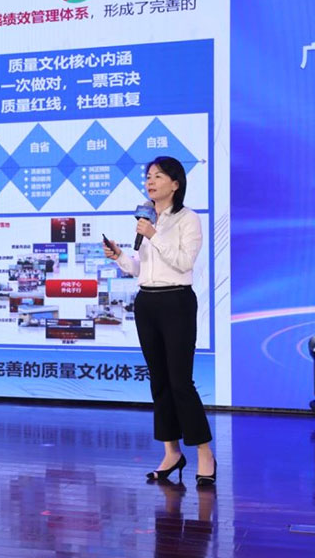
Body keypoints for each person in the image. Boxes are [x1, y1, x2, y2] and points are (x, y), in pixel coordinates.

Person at [103, 156, 216, 486]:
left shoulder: (187, 219)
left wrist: (153, 234)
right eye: (148, 176)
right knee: (159, 381)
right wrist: (120, 257)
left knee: (181, 381)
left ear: (175, 184)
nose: (150, 182)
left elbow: (183, 263)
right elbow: (143, 269)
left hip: (176, 301)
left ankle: (205, 453)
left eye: (158, 176)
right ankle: (171, 452)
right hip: (147, 302)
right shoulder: (147, 219)